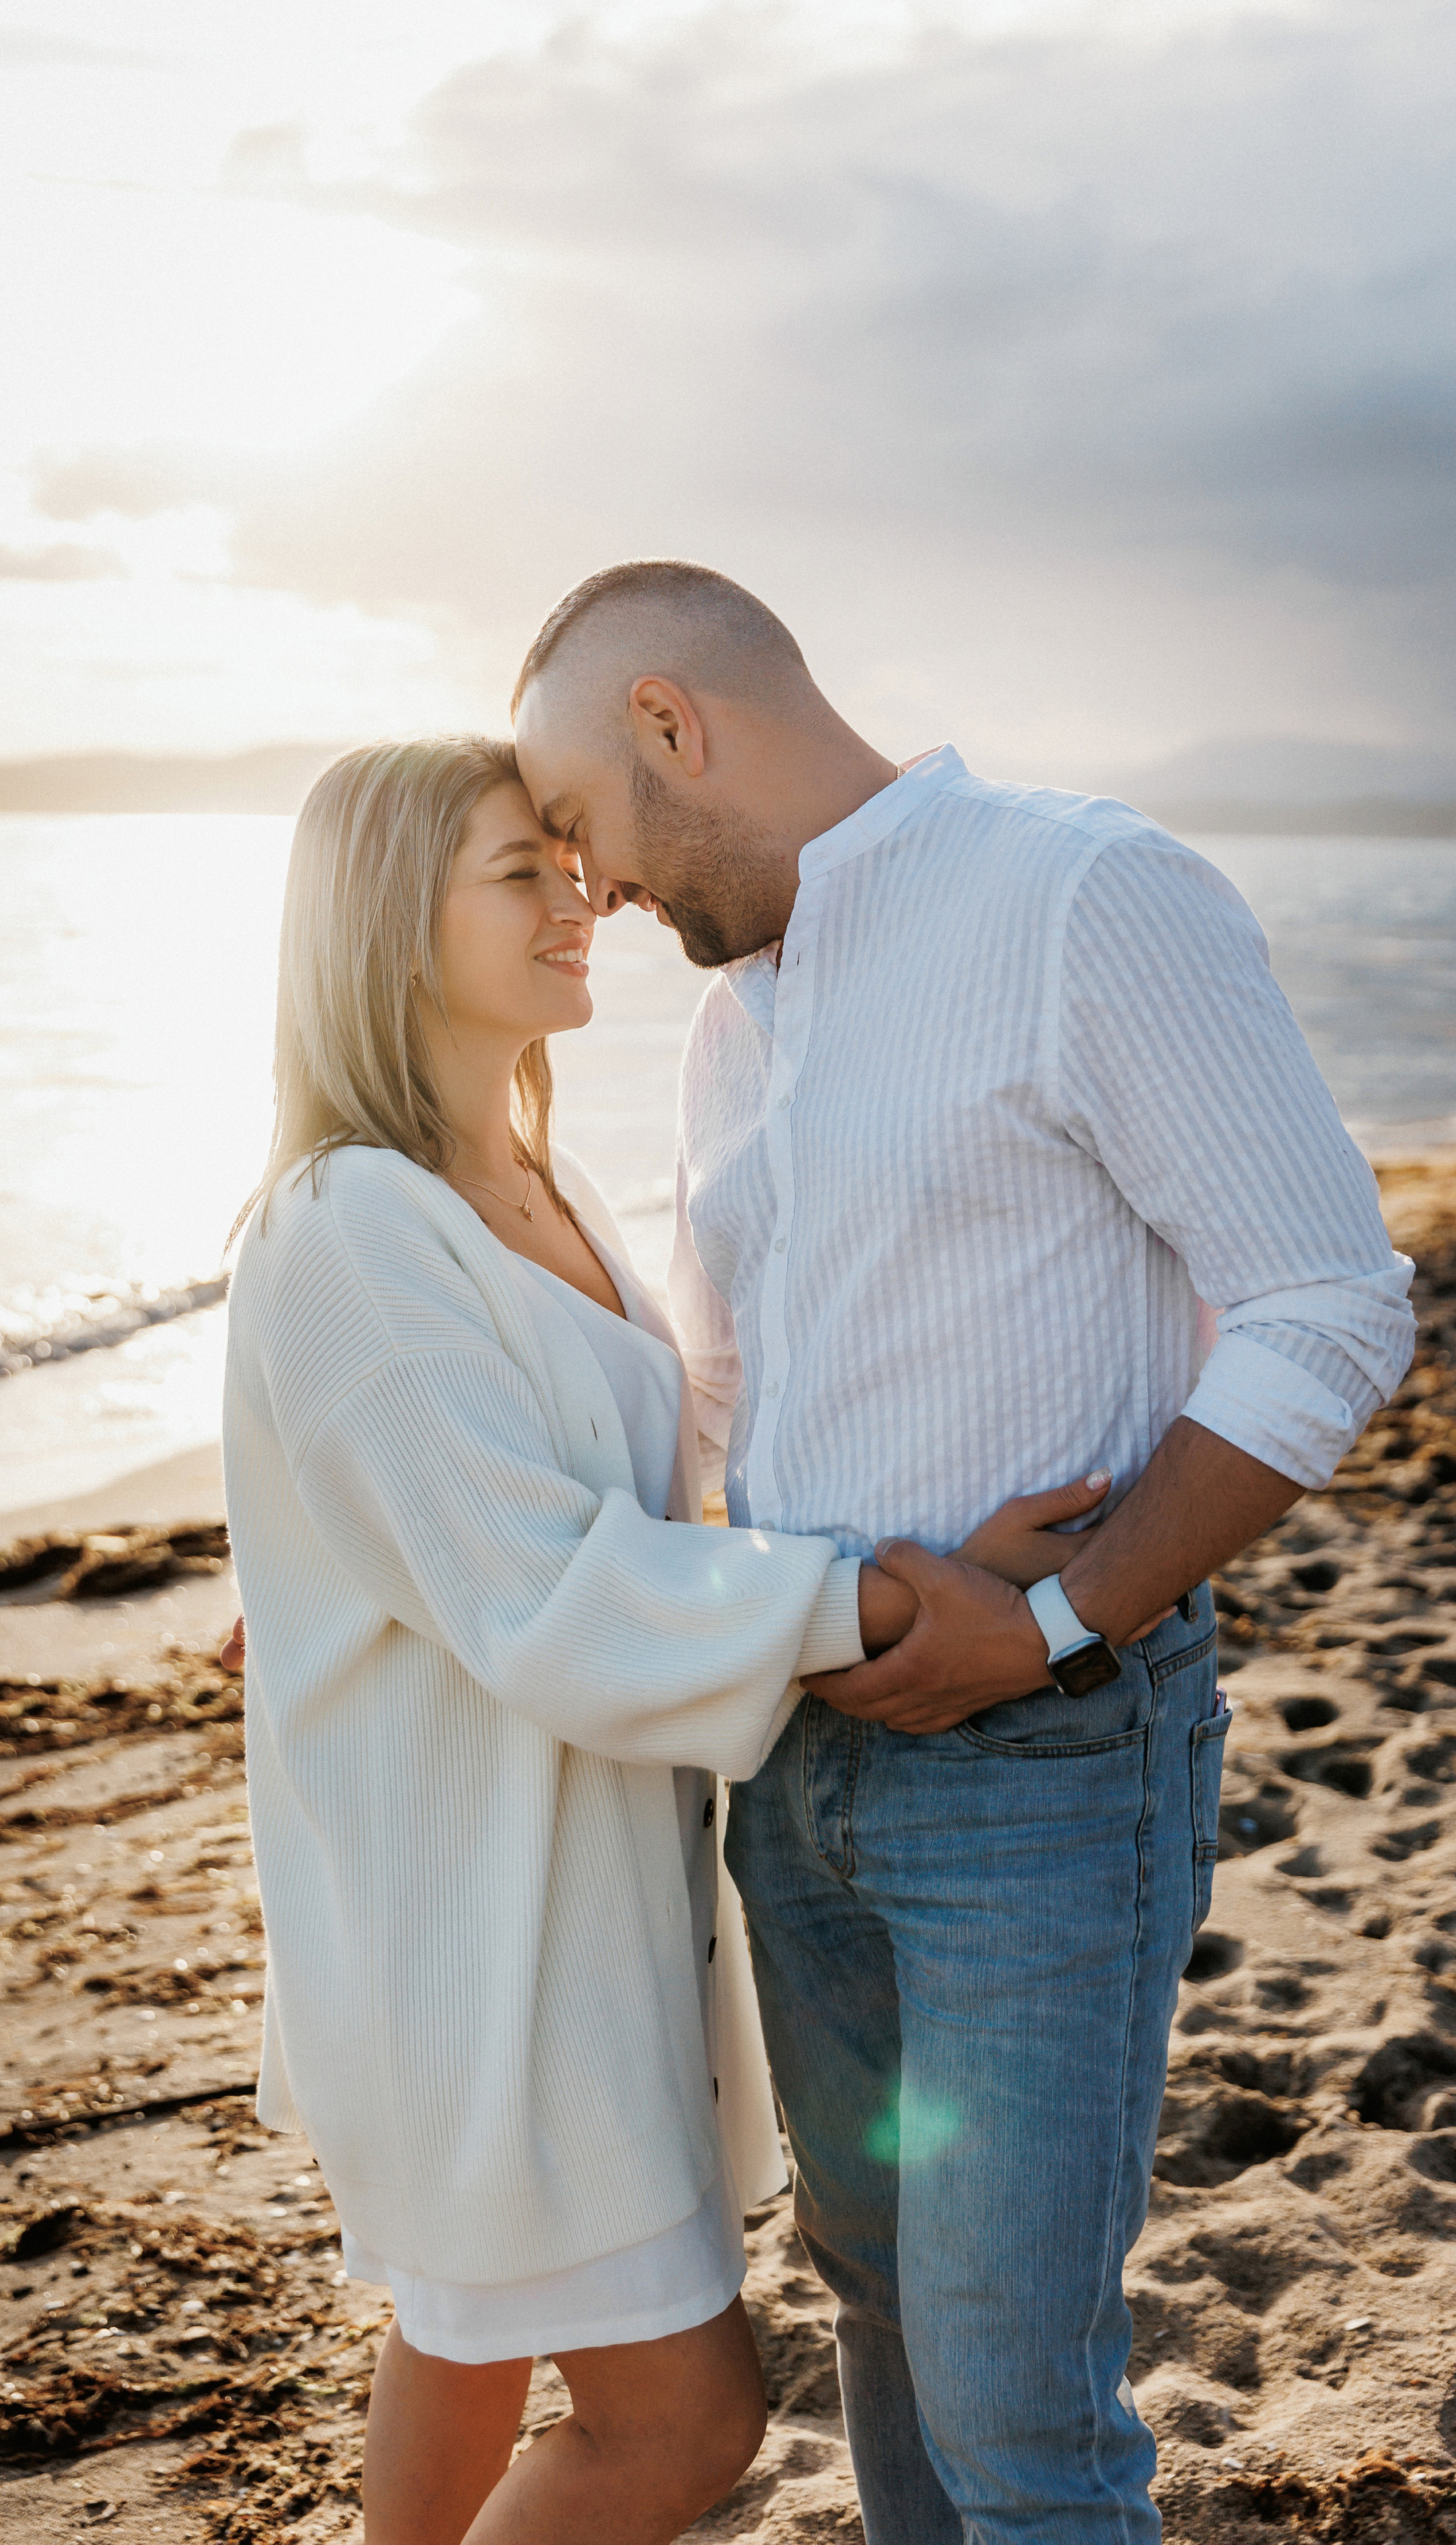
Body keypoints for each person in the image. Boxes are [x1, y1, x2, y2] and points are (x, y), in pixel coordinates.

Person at [510, 560, 1418, 2544]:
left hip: (1044, 1768)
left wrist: (1063, 1618)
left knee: (1023, 2423)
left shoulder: (1086, 895)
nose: (598, 897)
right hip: (797, 1765)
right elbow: (724, 1406)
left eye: (584, 830)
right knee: (886, 2334)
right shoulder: (736, 1026)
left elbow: (1331, 1304)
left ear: (674, 722)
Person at [220, 735, 1099, 2545]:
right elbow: (551, 1589)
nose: (579, 898)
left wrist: (918, 1549)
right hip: (467, 1923)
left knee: (465, 2329)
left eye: (567, 857)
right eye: (515, 872)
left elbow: (652, 1507)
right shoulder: (344, 1234)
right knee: (683, 2423)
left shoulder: (542, 1192)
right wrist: (894, 1603)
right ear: (391, 928)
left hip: (567, 1887)